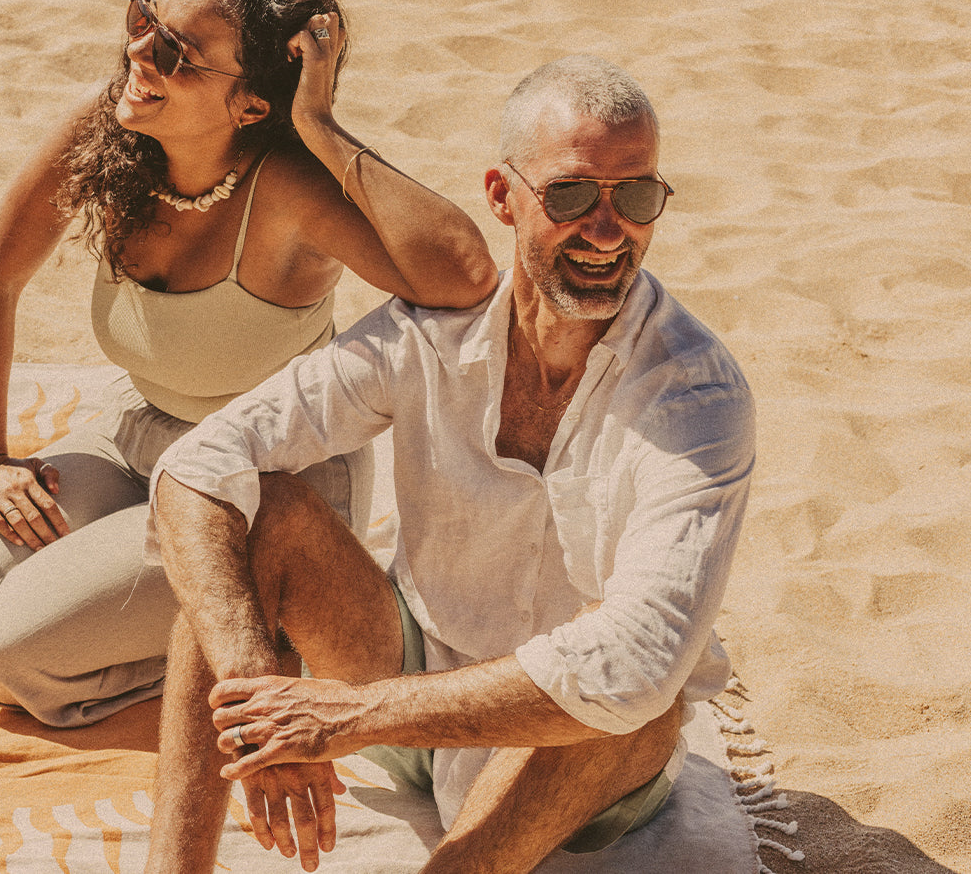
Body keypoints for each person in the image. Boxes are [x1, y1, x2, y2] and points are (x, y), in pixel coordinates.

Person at [144, 54, 755, 872]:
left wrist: (349, 718)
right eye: (572, 197)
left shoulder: (696, 397)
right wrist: (258, 698)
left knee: (634, 700)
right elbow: (198, 464)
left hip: (567, 743)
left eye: (636, 197)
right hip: (411, 669)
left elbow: (635, 662)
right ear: (503, 196)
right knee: (250, 526)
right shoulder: (427, 335)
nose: (610, 230)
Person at [0, 0, 497, 727]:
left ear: (252, 106)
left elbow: (466, 275)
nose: (140, 53)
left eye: (176, 52)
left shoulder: (290, 194)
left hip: (262, 481)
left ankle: (270, 619)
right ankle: (131, 597)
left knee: (6, 655)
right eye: (143, 20)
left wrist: (318, 124)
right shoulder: (115, 127)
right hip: (137, 435)